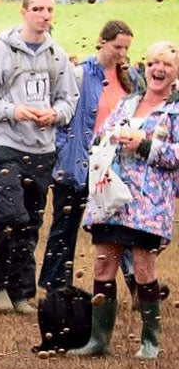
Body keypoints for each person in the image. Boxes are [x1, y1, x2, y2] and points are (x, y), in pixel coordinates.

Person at [0, 0, 77, 315]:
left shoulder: (57, 56)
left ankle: (22, 292)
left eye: (49, 9)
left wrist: (55, 114)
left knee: (30, 220)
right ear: (23, 12)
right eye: (38, 8)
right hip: (6, 142)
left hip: (42, 147)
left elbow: (68, 99)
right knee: (10, 213)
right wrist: (10, 111)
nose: (44, 15)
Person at [72, 38, 177, 360]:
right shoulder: (127, 104)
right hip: (111, 196)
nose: (159, 69)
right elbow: (101, 133)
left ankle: (149, 341)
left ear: (175, 74)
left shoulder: (174, 111)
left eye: (167, 64)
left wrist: (144, 145)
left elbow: (176, 154)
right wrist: (111, 137)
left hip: (148, 202)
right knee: (103, 264)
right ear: (145, 67)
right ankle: (98, 339)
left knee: (143, 268)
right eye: (153, 63)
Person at [44, 19, 135, 293]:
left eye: (126, 48)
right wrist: (63, 152)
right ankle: (56, 286)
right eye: (117, 46)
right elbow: (62, 114)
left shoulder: (129, 78)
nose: (121, 53)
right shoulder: (81, 74)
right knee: (65, 224)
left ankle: (136, 283)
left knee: (121, 224)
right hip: (79, 159)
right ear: (102, 42)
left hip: (114, 163)